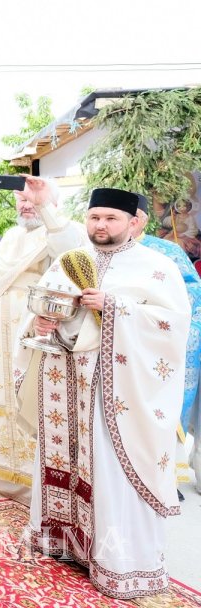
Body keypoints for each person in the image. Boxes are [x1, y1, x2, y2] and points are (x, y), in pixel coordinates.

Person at [15, 187, 189, 599]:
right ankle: (65, 541)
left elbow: (171, 327)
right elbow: (45, 308)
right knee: (65, 460)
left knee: (109, 469)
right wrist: (40, 324)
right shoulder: (69, 260)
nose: (100, 226)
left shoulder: (155, 267)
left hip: (116, 395)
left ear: (135, 223)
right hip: (64, 381)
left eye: (111, 218)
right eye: (95, 217)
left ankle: (119, 562)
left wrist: (113, 307)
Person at [0, 176, 87, 503]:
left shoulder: (60, 230)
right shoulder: (11, 236)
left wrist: (46, 209)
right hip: (0, 330)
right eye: (21, 199)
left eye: (32, 199)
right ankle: (1, 479)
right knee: (0, 402)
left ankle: (37, 487)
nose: (25, 204)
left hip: (34, 330)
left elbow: (73, 256)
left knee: (30, 399)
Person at [133, 194, 201, 494]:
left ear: (142, 220)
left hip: (158, 342)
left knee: (161, 412)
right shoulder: (98, 251)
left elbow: (191, 294)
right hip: (120, 341)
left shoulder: (166, 251)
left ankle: (163, 480)